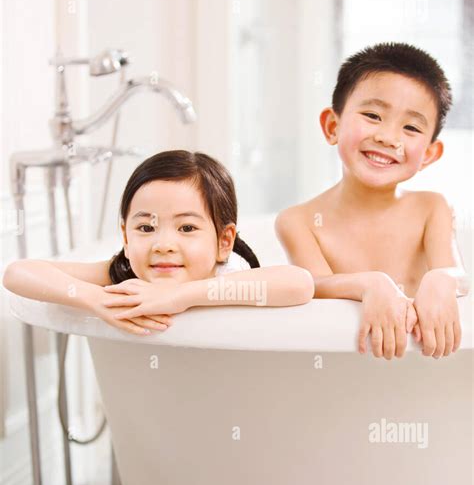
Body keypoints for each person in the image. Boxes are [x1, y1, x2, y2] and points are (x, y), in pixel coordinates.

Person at [275, 42, 469, 360]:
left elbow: (457, 275)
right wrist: (371, 285)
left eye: (410, 127)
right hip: (345, 366)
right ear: (332, 126)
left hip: (419, 368)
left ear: (429, 155)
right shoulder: (298, 220)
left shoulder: (432, 207)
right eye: (372, 115)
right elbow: (312, 285)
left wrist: (441, 278)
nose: (388, 137)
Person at [3, 150, 314, 336]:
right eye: (146, 227)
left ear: (224, 241)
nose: (163, 244)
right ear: (125, 237)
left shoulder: (228, 273)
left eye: (187, 227)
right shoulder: (126, 277)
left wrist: (181, 295)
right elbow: (18, 272)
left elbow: (299, 283)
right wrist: (96, 300)